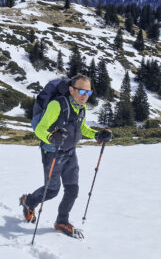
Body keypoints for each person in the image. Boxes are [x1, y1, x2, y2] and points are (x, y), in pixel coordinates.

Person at [19, 74, 112, 238]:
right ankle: (29, 202)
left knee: (72, 189)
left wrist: (97, 135)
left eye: (88, 93)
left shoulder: (81, 108)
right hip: (52, 153)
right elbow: (40, 129)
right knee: (52, 190)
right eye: (81, 91)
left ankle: (62, 221)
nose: (85, 96)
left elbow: (82, 128)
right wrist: (51, 137)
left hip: (70, 152)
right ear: (71, 89)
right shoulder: (57, 105)